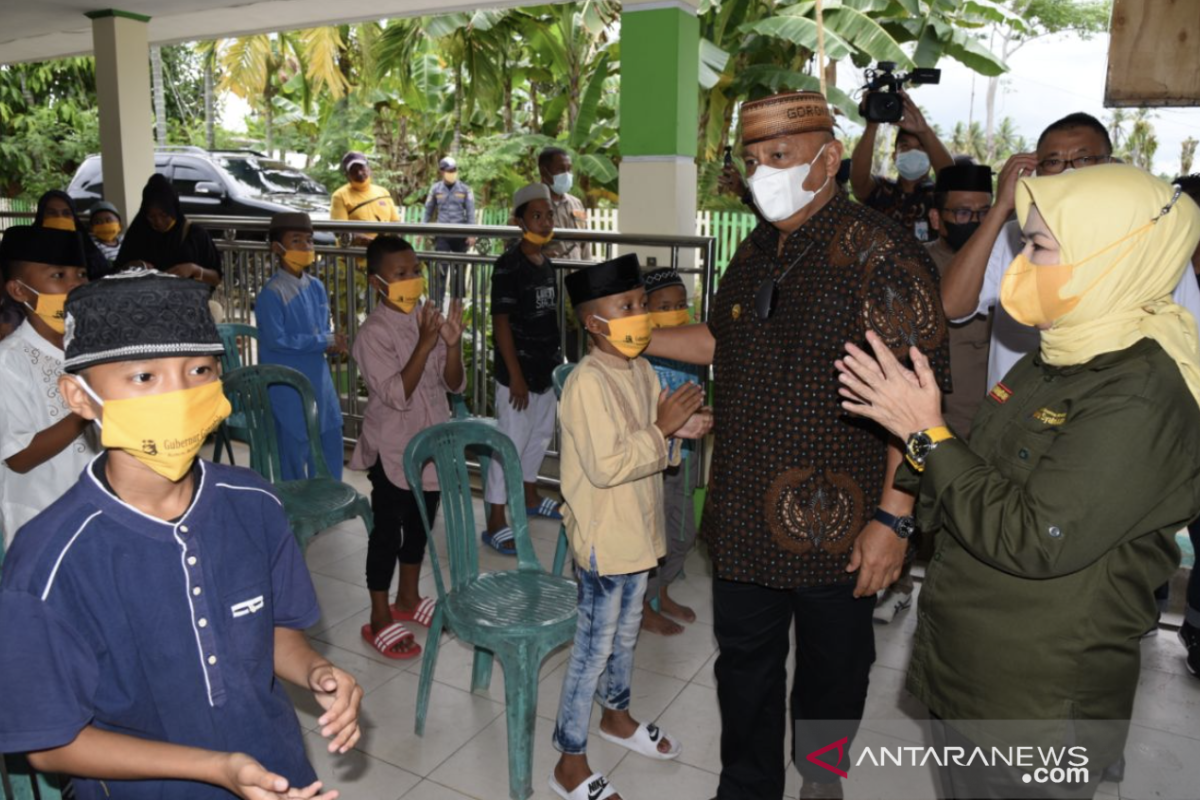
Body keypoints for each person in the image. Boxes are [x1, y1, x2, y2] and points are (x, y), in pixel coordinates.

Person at [836, 163, 1200, 800]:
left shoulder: (1139, 394)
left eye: (1038, 246)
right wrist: (909, 468)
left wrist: (925, 433)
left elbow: (1037, 536)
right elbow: (976, 468)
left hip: (1041, 698)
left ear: (1108, 255)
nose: (1020, 264)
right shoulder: (1058, 354)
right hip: (975, 663)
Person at [644, 90, 951, 800]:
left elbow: (924, 409)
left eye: (779, 156)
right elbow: (724, 340)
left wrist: (894, 518)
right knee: (742, 667)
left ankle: (823, 782)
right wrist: (636, 340)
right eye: (753, 160)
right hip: (747, 514)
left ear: (828, 158)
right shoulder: (756, 249)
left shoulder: (883, 257)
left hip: (838, 524)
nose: (763, 175)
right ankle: (746, 788)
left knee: (834, 669)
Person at [0, 270, 363, 800]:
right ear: (78, 398)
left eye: (199, 369)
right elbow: (53, 745)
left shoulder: (254, 502)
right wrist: (217, 768)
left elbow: (274, 631)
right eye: (144, 377)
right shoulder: (48, 561)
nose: (179, 394)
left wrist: (317, 671)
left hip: (275, 770)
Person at [551, 253, 711, 800]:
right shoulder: (586, 383)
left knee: (624, 635)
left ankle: (615, 717)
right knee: (592, 649)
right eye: (627, 307)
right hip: (604, 542)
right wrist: (662, 428)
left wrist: (677, 432)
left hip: (640, 534)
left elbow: (653, 450)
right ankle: (569, 760)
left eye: (642, 305)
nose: (640, 316)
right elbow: (607, 466)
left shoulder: (640, 368)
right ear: (594, 323)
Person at [940, 112, 1200, 393]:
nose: (1069, 171)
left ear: (1111, 165)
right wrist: (1001, 207)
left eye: (1085, 159)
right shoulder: (1014, 237)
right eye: (1053, 162)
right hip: (1015, 415)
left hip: (1112, 413)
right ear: (1036, 169)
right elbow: (952, 305)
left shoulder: (1153, 243)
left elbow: (1188, 336)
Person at [874, 163, 995, 624]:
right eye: (962, 214)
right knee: (911, 503)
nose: (975, 223)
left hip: (986, 421)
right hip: (928, 419)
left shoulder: (1010, 261)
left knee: (969, 526)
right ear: (938, 216)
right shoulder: (912, 261)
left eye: (985, 213)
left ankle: (956, 609)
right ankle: (898, 584)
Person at [348, 235, 465, 660]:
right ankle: (380, 614)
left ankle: (409, 598)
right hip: (392, 449)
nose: (412, 280)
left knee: (420, 525)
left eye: (415, 271)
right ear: (379, 282)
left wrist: (451, 344)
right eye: (401, 274)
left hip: (430, 445)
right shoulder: (372, 334)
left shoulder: (426, 318)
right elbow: (398, 394)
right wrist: (424, 342)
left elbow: (452, 384)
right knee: (387, 532)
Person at [0, 226, 99, 541]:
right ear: (19, 291)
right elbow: (18, 457)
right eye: (58, 275)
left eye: (81, 274)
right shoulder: (9, 362)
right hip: (43, 521)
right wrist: (84, 411)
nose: (74, 285)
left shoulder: (93, 348)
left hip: (100, 510)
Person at [482, 183, 563, 555]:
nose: (545, 221)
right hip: (518, 374)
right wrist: (514, 374)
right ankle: (495, 519)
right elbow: (501, 323)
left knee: (540, 435)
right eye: (536, 215)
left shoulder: (546, 263)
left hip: (545, 371)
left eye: (548, 215)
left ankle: (529, 496)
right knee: (509, 444)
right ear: (519, 221)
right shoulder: (509, 265)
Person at [257, 212, 347, 481]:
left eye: (308, 240)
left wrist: (331, 342)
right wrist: (323, 341)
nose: (306, 247)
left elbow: (321, 328)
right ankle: (295, 505)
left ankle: (328, 495)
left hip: (318, 377)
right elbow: (278, 340)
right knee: (293, 442)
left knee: (329, 434)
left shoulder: (316, 286)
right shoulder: (271, 294)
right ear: (277, 247)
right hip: (287, 382)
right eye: (296, 241)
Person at [640, 266, 705, 636]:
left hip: (684, 455)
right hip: (651, 460)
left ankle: (661, 592)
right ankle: (642, 606)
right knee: (652, 535)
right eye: (664, 306)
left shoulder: (689, 346)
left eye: (681, 305)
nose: (675, 312)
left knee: (682, 532)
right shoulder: (638, 355)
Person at [850, 92, 954, 243]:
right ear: (894, 156)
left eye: (921, 147)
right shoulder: (881, 191)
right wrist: (871, 126)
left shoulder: (938, 196)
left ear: (931, 156)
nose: (913, 152)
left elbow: (952, 177)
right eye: (905, 146)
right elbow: (858, 180)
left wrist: (924, 130)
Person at [115, 174, 222, 287]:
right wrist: (132, 266)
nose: (158, 222)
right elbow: (116, 273)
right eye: (152, 217)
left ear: (173, 210)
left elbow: (216, 279)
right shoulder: (138, 234)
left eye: (164, 215)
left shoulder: (195, 234)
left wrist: (194, 269)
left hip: (186, 301)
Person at [422, 157, 476, 304]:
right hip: (443, 234)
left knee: (459, 270)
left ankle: (457, 305)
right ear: (442, 172)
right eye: (449, 171)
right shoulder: (435, 189)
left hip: (460, 235)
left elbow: (471, 213)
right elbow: (428, 211)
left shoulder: (465, 189)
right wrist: (422, 229)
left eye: (454, 170)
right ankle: (437, 304)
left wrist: (472, 234)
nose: (452, 173)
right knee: (441, 269)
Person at [33, 189, 110, 281]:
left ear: (74, 217)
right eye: (51, 213)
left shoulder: (87, 249)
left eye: (66, 213)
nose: (59, 217)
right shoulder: (29, 248)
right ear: (41, 216)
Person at [329, 150, 401, 247]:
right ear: (347, 175)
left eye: (361, 168)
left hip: (382, 257)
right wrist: (375, 244)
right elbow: (341, 232)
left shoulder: (383, 192)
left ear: (369, 168)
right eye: (353, 170)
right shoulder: (340, 196)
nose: (359, 172)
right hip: (352, 259)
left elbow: (395, 224)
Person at [538, 147, 590, 262]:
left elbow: (584, 244)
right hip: (546, 276)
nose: (566, 174)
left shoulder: (576, 204)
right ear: (543, 171)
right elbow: (515, 246)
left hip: (576, 275)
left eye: (569, 169)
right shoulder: (529, 205)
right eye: (560, 170)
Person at [87, 200, 124, 264]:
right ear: (91, 227)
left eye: (109, 220)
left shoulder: (124, 240)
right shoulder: (92, 245)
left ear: (119, 224)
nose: (104, 224)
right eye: (98, 222)